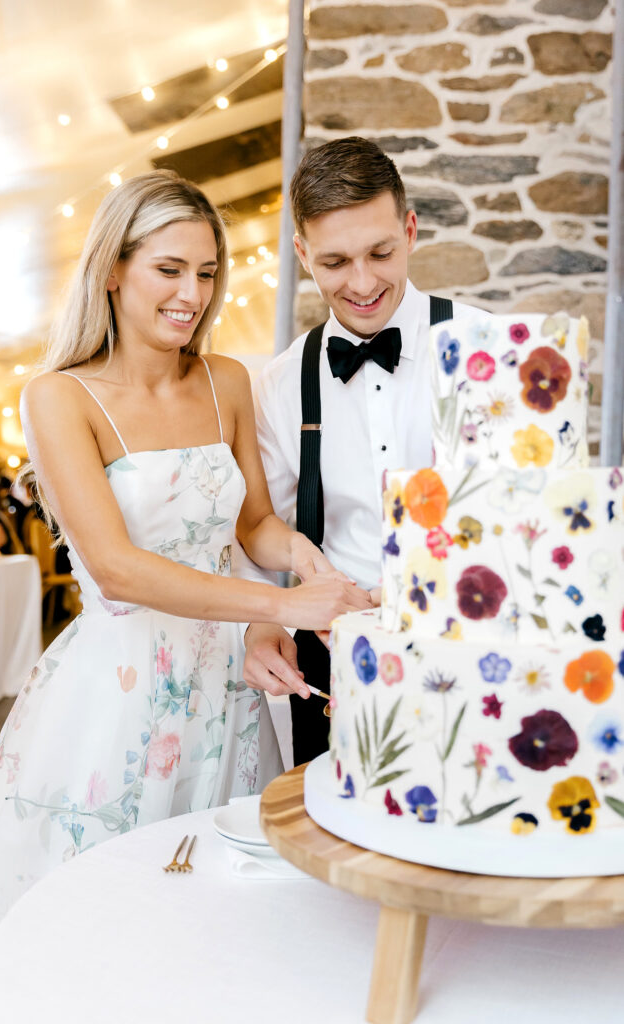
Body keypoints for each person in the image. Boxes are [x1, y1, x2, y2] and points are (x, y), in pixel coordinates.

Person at [0, 169, 370, 1021]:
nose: (192, 294)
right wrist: (282, 609)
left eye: (207, 272)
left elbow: (253, 525)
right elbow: (116, 569)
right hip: (117, 690)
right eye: (169, 269)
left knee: (213, 908)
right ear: (112, 269)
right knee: (94, 907)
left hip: (225, 694)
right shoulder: (59, 397)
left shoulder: (226, 382)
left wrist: (311, 568)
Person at [239, 136, 479, 766]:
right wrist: (262, 624)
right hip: (332, 657)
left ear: (410, 228)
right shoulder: (279, 383)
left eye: (381, 252)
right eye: (336, 262)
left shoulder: (488, 348)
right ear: (301, 253)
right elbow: (262, 524)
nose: (364, 282)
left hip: (473, 641)